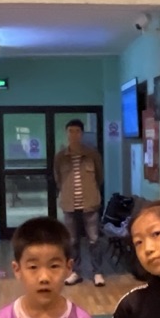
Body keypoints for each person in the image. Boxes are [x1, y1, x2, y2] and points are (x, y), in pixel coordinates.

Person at [52, 121, 105, 287]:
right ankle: (75, 272)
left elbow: (99, 177)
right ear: (66, 133)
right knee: (72, 240)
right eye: (70, 131)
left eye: (77, 131)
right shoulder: (60, 157)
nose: (73, 134)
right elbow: (58, 179)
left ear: (82, 134)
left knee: (94, 239)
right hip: (69, 204)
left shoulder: (92, 155)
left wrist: (90, 190)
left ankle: (97, 272)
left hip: (89, 202)